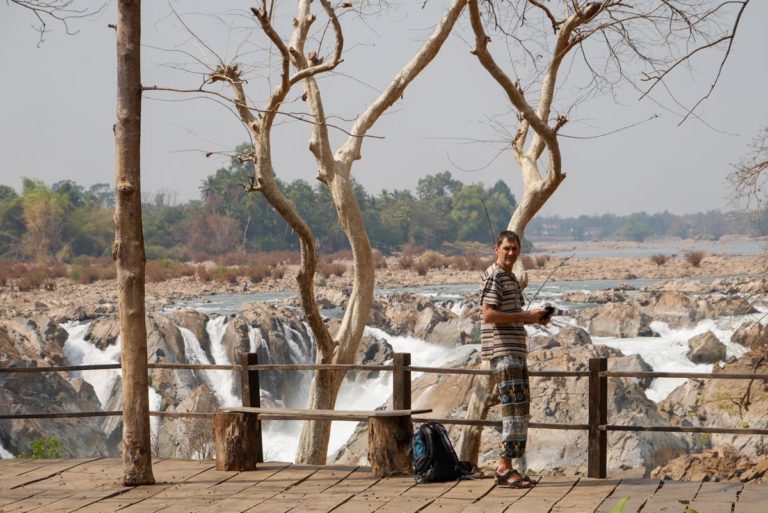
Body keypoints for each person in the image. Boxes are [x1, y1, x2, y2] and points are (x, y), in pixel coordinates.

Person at [481, 230, 550, 488]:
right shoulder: (494, 276)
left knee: (520, 409)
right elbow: (488, 315)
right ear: (496, 248)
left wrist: (535, 318)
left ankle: (508, 466)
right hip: (503, 351)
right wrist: (524, 317)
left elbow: (510, 313)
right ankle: (503, 468)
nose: (511, 252)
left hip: (516, 349)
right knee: (511, 409)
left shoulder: (509, 278)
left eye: (514, 248)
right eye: (506, 248)